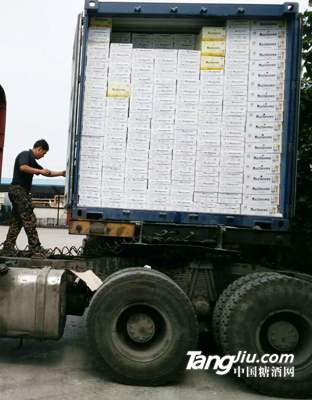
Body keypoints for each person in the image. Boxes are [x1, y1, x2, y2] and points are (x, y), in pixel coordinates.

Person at [2, 139, 66, 253]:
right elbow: (23, 167)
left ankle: (8, 247)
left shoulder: (32, 160)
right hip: (18, 190)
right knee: (29, 217)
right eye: (44, 153)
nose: (43, 156)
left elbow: (46, 172)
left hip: (20, 191)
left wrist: (60, 173)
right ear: (39, 149)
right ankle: (35, 247)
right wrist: (39, 171)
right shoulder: (25, 155)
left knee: (17, 221)